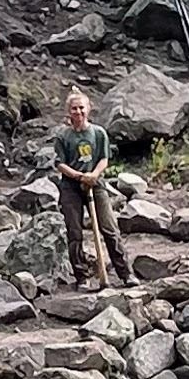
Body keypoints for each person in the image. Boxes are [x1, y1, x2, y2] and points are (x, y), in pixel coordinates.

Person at [53, 85, 133, 289]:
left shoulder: (99, 134)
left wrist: (93, 176)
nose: (78, 112)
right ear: (68, 112)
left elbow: (104, 159)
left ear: (88, 109)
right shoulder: (63, 136)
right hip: (71, 187)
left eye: (81, 108)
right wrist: (79, 176)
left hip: (96, 185)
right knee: (75, 232)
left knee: (109, 228)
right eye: (74, 109)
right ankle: (82, 277)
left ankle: (125, 273)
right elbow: (60, 164)